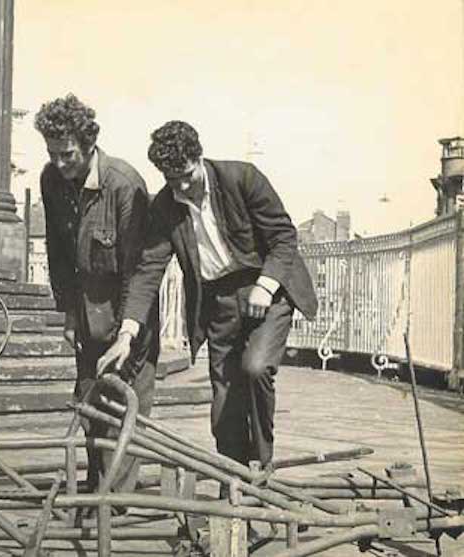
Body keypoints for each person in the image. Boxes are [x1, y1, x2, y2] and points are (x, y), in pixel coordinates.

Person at [98, 120, 317, 474]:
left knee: (256, 367)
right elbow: (148, 270)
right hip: (218, 303)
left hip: (267, 290)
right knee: (225, 400)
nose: (183, 186)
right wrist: (126, 334)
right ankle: (232, 479)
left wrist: (265, 285)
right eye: (173, 180)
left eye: (188, 175)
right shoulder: (166, 207)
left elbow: (283, 238)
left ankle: (261, 466)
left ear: (200, 158)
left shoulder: (243, 179)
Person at [34, 94, 159, 497]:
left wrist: (127, 334)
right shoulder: (51, 180)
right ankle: (95, 491)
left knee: (124, 406)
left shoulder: (124, 184)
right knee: (89, 403)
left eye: (67, 153)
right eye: (52, 153)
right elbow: (58, 251)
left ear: (88, 143)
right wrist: (69, 313)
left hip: (128, 314)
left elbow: (139, 269)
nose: (59, 162)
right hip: (87, 314)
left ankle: (115, 507)